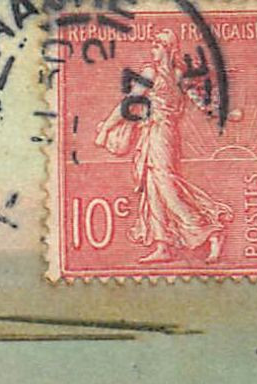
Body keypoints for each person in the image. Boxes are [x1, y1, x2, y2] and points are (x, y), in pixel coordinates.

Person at [94, 28, 234, 264]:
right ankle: (163, 245)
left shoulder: (173, 75)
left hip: (163, 134)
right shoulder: (159, 73)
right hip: (152, 133)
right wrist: (108, 126)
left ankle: (210, 231)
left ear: (169, 49)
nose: (154, 47)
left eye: (159, 44)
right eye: (154, 43)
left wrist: (107, 129)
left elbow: (200, 102)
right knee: (152, 188)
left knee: (166, 187)